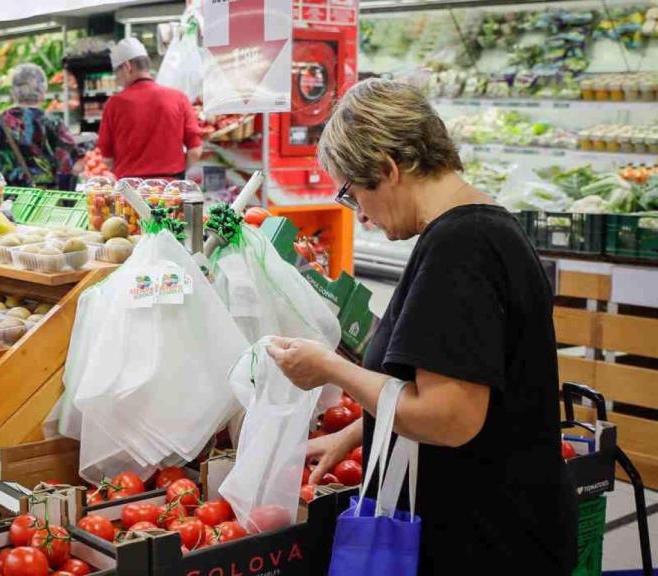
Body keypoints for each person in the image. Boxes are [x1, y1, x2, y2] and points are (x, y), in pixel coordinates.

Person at [266, 79, 576, 575]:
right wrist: (354, 433)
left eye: (352, 192)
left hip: (486, 542)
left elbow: (449, 417)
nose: (360, 215)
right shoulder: (486, 225)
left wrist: (330, 369)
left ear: (388, 169)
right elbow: (457, 378)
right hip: (514, 524)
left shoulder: (461, 249)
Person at [97, 37, 201, 179]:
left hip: (130, 192)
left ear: (128, 66)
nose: (117, 78)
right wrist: (177, 175)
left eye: (117, 72)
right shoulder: (179, 98)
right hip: (171, 190)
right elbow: (195, 151)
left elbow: (107, 159)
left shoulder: (114, 104)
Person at [0, 63, 78, 188]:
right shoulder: (53, 123)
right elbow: (70, 164)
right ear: (43, 91)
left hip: (9, 199)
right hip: (47, 200)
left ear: (13, 92)